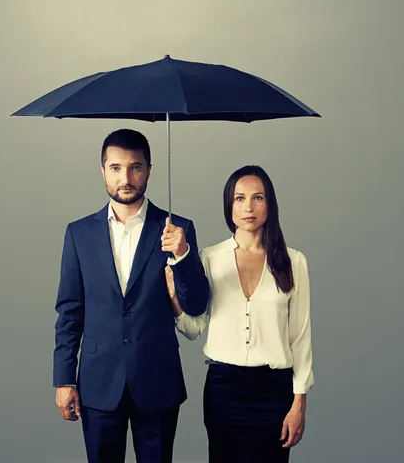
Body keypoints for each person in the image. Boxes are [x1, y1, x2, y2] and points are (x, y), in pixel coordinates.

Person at [53, 129, 210, 463]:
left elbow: (197, 305)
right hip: (98, 382)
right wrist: (64, 378)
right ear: (103, 170)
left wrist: (182, 255)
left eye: (135, 167)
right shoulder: (79, 233)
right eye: (115, 167)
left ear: (150, 169)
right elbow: (69, 312)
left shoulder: (177, 229)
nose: (125, 177)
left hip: (157, 379)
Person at [165, 164, 314, 462]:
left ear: (269, 204)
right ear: (228, 205)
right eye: (239, 198)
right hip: (224, 388)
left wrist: (299, 404)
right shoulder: (208, 258)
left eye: (258, 198)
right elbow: (195, 328)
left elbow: (300, 337)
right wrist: (174, 300)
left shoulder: (293, 261)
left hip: (275, 390)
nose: (249, 207)